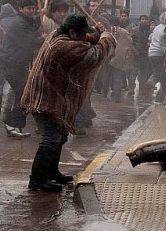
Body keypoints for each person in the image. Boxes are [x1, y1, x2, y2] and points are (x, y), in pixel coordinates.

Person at [21, 14, 116, 192]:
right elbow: (94, 54)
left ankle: (51, 171)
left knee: (60, 135)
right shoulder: (63, 46)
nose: (83, 37)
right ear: (72, 32)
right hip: (44, 99)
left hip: (49, 97)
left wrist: (96, 32)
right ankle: (37, 179)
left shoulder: (59, 35)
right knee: (51, 138)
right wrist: (107, 37)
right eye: (80, 33)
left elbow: (85, 40)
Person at [0, 0, 44, 138]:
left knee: (25, 93)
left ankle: (15, 124)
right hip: (12, 63)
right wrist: (44, 38)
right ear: (20, 9)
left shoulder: (25, 21)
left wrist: (41, 15)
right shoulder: (18, 24)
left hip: (18, 64)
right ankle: (11, 123)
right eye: (28, 8)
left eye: (33, 8)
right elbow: (30, 43)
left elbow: (32, 27)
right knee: (25, 93)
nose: (31, 11)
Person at [128, 15, 152, 95]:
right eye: (142, 19)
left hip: (146, 54)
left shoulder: (151, 31)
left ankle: (143, 87)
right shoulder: (134, 30)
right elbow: (130, 42)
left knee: (144, 71)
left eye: (145, 19)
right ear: (140, 20)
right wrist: (134, 51)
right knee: (134, 72)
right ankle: (131, 88)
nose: (144, 21)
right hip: (136, 54)